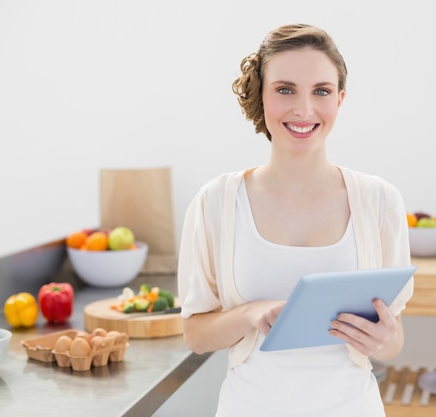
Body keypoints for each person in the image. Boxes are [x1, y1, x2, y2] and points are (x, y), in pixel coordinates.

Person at [177, 23, 414, 417]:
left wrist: (385, 339)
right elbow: (195, 335)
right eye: (285, 89)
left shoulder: (379, 201)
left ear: (339, 99)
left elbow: (393, 341)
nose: (304, 109)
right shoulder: (216, 202)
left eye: (321, 91)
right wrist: (251, 312)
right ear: (261, 95)